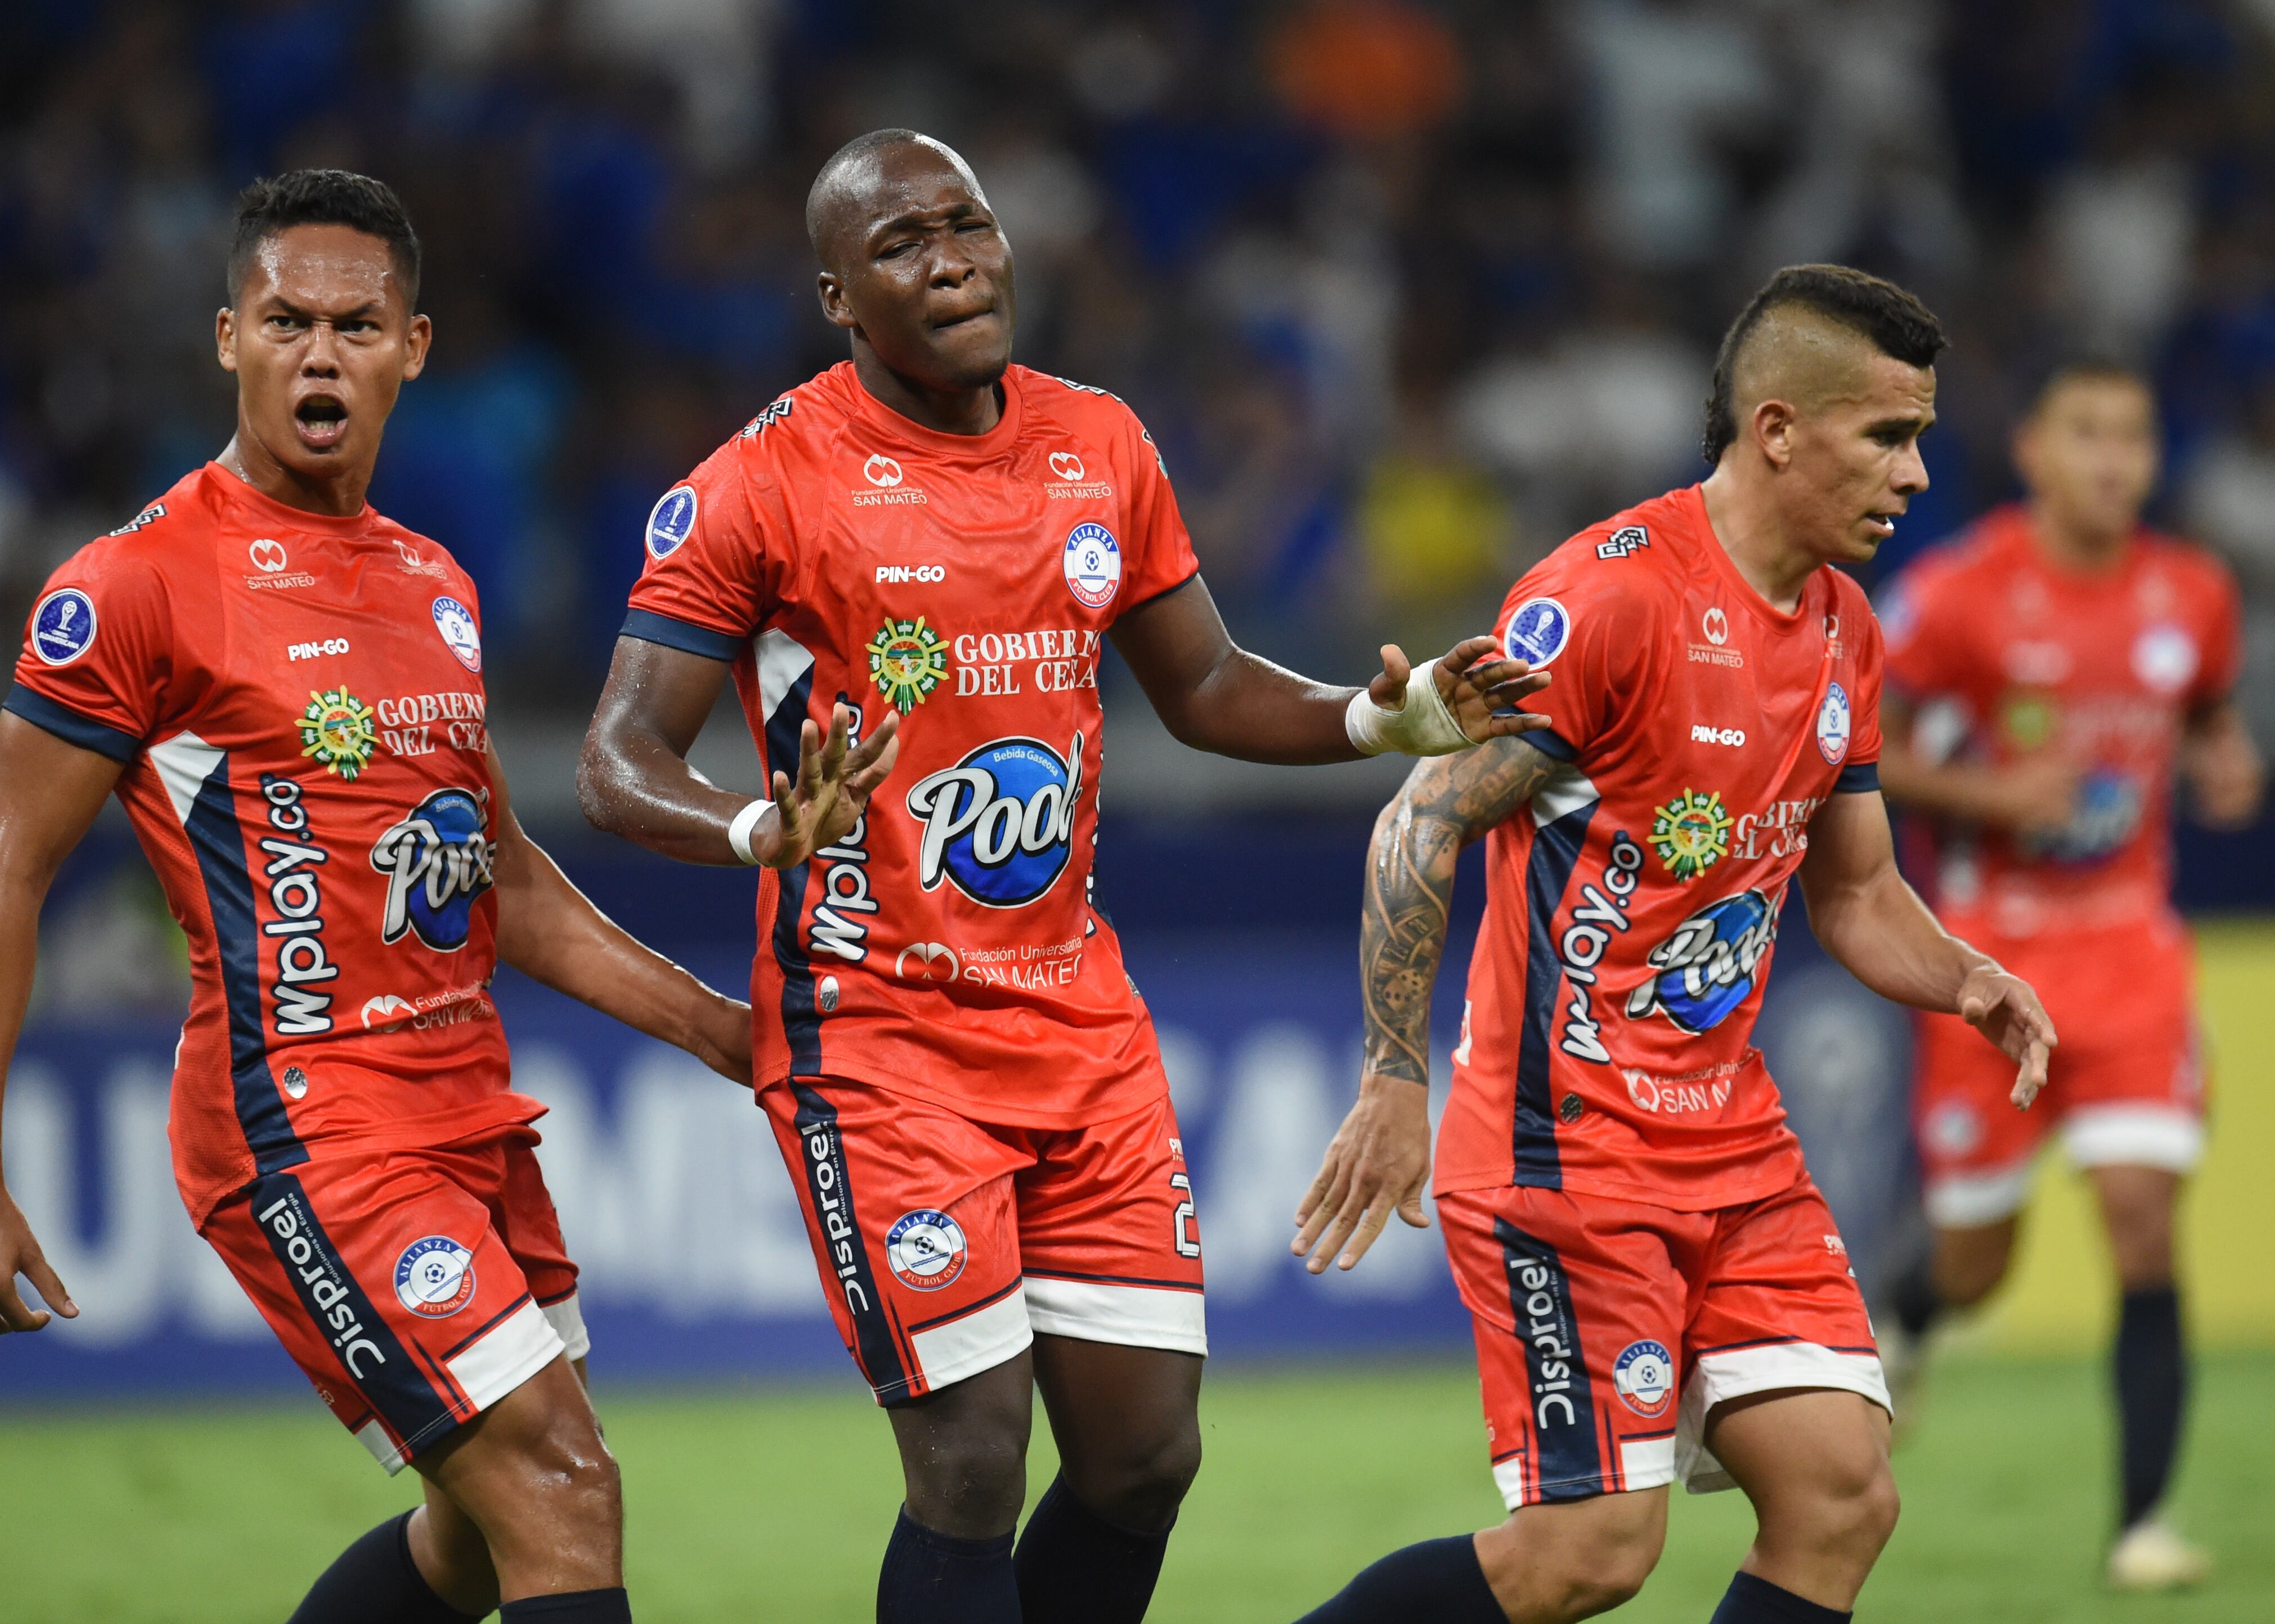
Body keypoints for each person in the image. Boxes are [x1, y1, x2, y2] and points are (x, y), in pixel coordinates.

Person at [573, 129, 1550, 1624]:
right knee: (969, 1457)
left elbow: (1208, 683)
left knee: (1145, 1458)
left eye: (968, 224)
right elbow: (618, 758)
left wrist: (1379, 720)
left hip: (1076, 1020)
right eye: (901, 244)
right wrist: (753, 830)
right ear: (837, 296)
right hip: (876, 1037)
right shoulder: (761, 484)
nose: (953, 256)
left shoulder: (1099, 441)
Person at [0, 169, 750, 1624]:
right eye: (287, 320)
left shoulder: (433, 582)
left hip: (461, 1106)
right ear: (227, 337)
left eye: (356, 325)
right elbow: (3, 873)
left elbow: (494, 877)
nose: (320, 353)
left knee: (484, 1534)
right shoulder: (135, 586)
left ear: (412, 349)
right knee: (563, 1485)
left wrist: (723, 1032)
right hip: (300, 1117)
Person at [1287, 264, 2058, 1624]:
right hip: (1562, 1144)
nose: (1919, 475)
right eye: (1889, 436)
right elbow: (1417, 824)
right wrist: (1393, 1077)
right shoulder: (1607, 598)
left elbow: (1859, 894)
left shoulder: (1844, 630)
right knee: (1587, 1555)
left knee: (1840, 1493)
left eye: (1921, 437)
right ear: (1776, 429)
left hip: (1731, 1143)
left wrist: (1967, 977)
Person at [1876, 360, 2261, 1591]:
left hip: (2129, 947)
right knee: (1975, 1262)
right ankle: (1915, 1317)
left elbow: (2200, 708)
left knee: (2142, 1217)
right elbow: (1857, 753)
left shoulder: (2193, 594)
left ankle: (2141, 1523)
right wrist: (1989, 792)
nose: (2113, 461)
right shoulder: (1955, 597)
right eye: (2086, 435)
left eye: (2134, 438)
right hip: (1987, 960)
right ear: (2033, 449)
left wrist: (2220, 756)